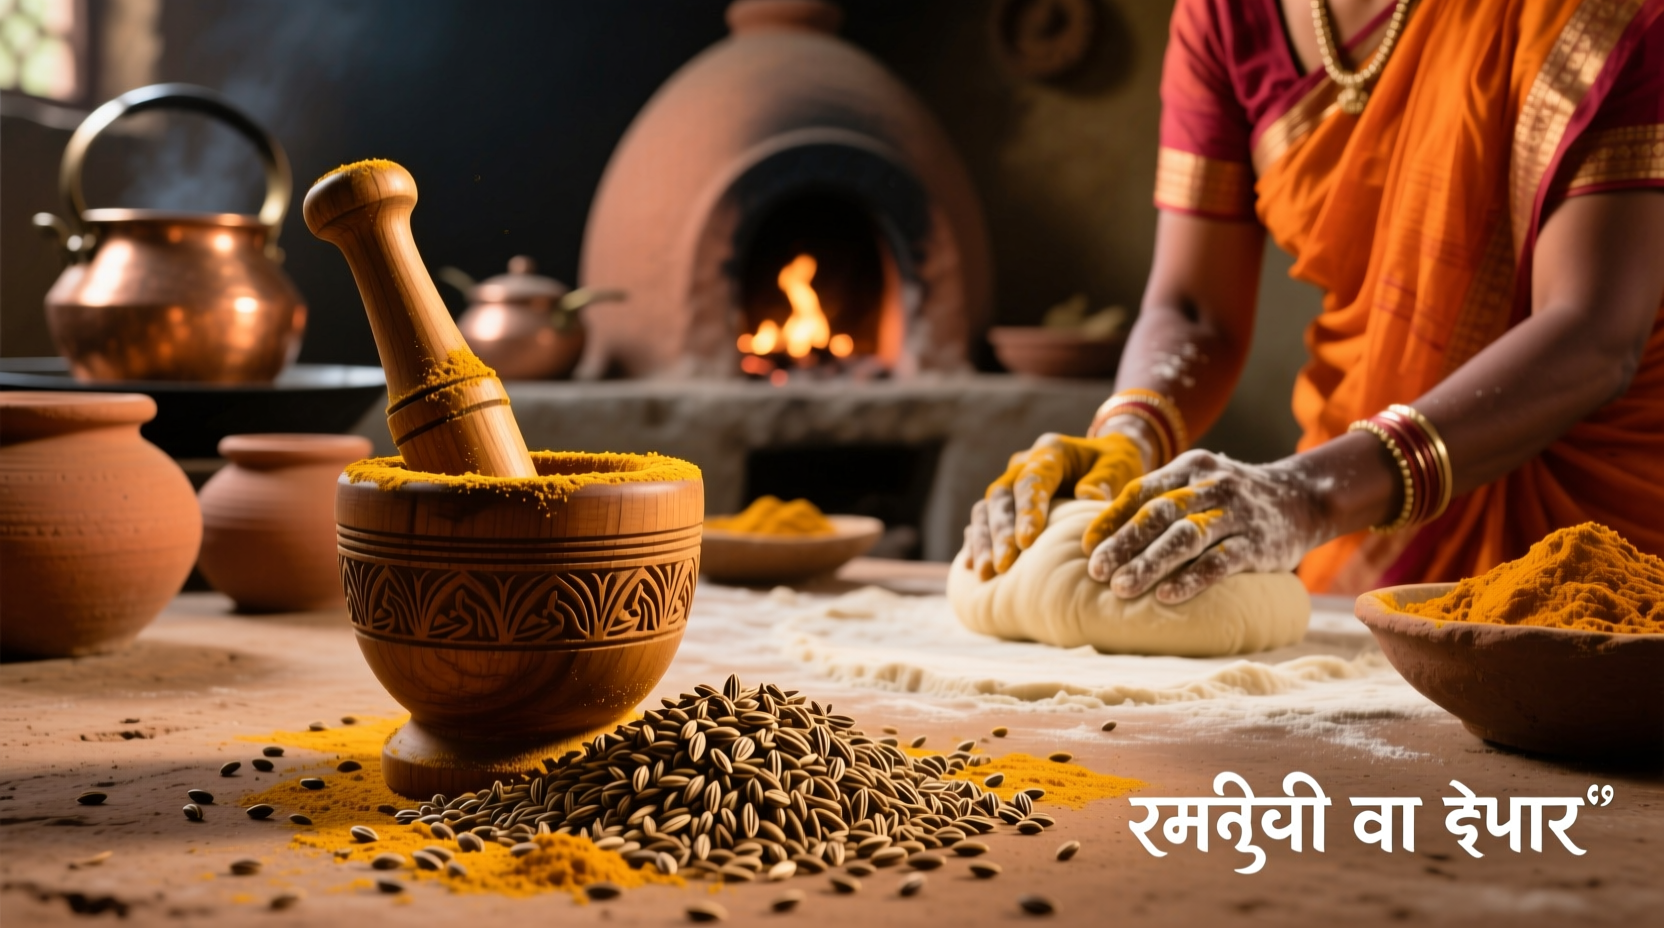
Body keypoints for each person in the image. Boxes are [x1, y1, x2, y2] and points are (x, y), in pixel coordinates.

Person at [966, 0, 1664, 602]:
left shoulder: (1591, 16)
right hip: (1365, 514)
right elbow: (1194, 309)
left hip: (1603, 524)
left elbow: (1593, 334)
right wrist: (1127, 436)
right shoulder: (1224, 15)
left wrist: (1309, 496)